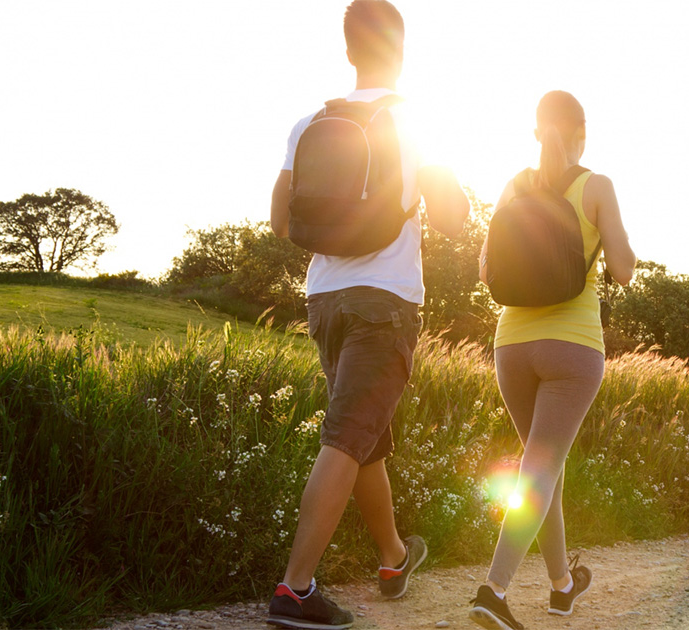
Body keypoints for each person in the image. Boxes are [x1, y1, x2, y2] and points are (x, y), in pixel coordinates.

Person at [266, 2, 470, 628]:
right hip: (385, 300)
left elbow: (280, 221)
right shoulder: (414, 123)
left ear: (349, 52)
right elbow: (453, 220)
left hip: (325, 298)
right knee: (348, 437)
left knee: (364, 440)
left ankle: (393, 558)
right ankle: (295, 590)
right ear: (401, 53)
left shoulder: (309, 123)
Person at [469, 91, 636, 630]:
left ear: (537, 132)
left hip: (511, 345)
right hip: (572, 346)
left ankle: (563, 585)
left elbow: (485, 271)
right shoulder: (597, 186)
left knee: (545, 470)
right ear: (582, 133)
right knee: (539, 471)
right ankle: (493, 590)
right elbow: (624, 270)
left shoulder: (513, 186)